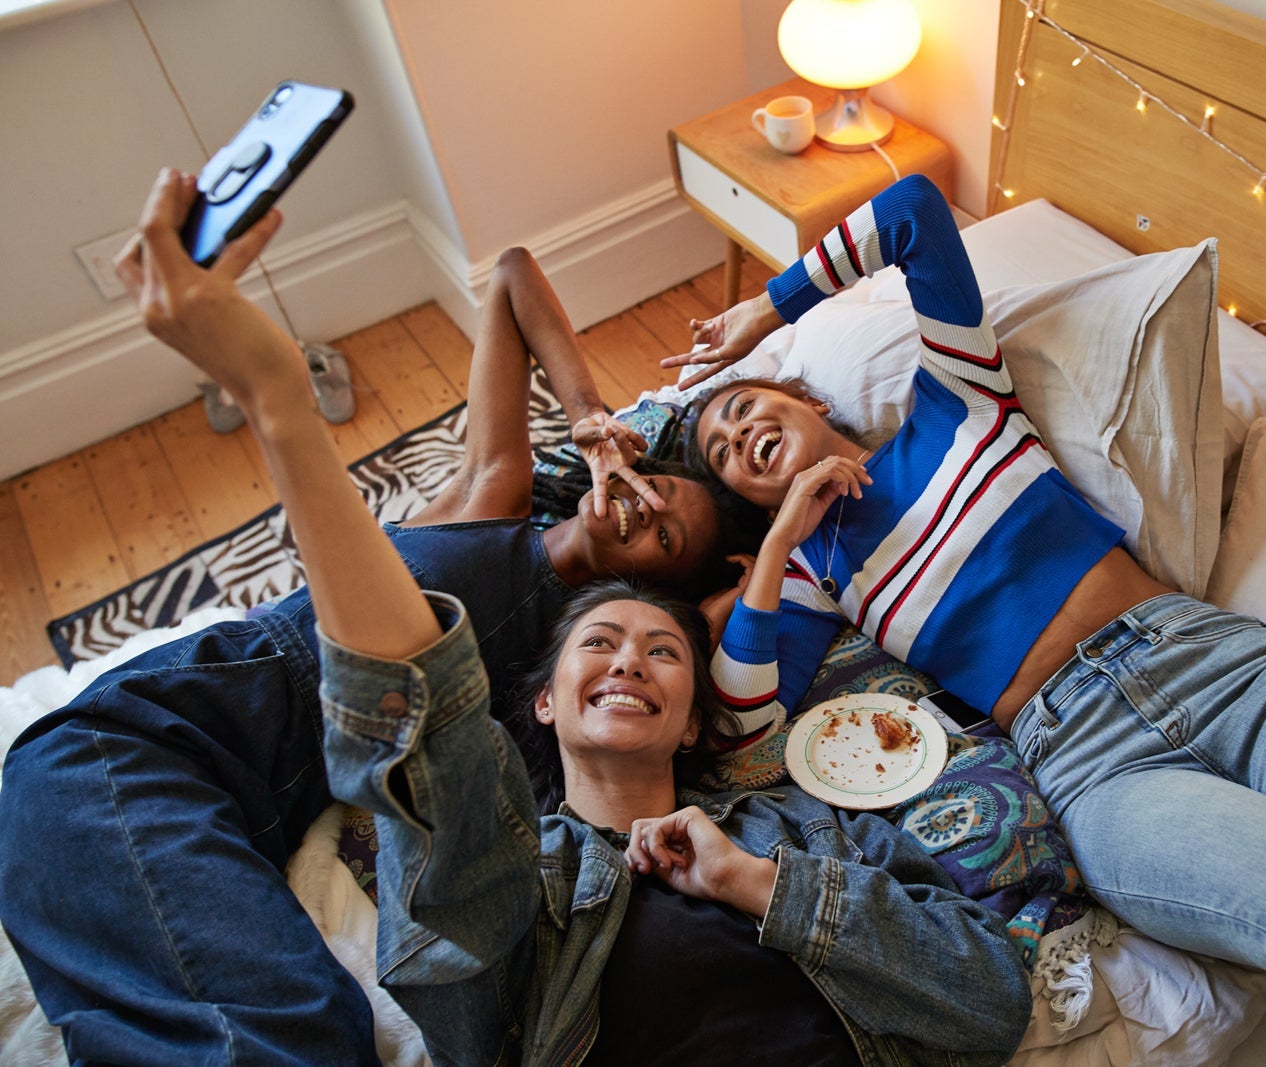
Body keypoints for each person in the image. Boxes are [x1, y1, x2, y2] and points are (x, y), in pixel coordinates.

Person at [668, 173, 1266, 1065]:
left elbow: (913, 212)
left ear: (807, 398)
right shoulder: (816, 575)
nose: (738, 434)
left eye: (747, 405)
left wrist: (769, 309)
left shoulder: (956, 400)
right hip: (1091, 759)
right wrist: (785, 538)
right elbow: (740, 719)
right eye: (724, 451)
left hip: (1213, 660)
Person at [0, 169, 752, 1066]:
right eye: (657, 489)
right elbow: (511, 273)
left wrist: (761, 553)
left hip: (251, 797)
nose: (638, 510)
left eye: (661, 538)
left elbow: (731, 623)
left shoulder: (583, 661)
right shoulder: (494, 495)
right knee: (292, 1032)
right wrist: (590, 415)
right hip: (161, 734)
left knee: (301, 1024)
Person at [321, 573, 1031, 1066]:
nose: (630, 662)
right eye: (599, 643)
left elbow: (990, 999)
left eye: (663, 653)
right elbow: (426, 744)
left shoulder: (800, 825)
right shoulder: (517, 872)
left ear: (693, 723)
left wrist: (757, 884)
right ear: (545, 701)